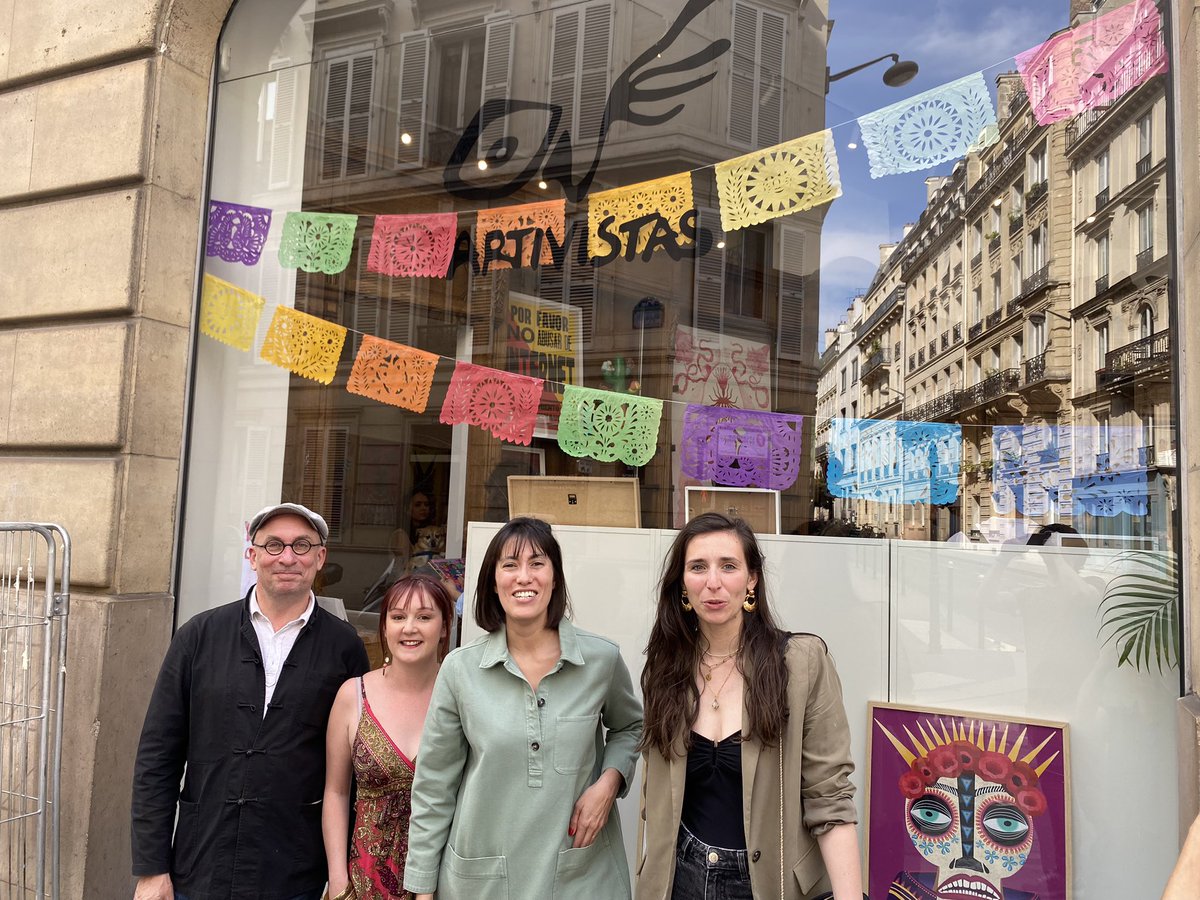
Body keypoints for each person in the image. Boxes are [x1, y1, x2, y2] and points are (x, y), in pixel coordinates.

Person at [131, 502, 371, 900]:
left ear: (320, 557)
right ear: (253, 554)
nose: (288, 557)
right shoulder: (199, 636)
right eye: (274, 545)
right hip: (200, 864)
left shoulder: (344, 647)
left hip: (295, 872)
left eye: (302, 545)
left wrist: (340, 870)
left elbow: (352, 773)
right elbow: (157, 757)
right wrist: (152, 869)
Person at [403, 516, 643, 899]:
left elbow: (631, 727)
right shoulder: (461, 669)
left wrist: (608, 783)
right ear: (493, 581)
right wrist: (421, 886)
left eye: (537, 563)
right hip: (483, 878)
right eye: (510, 565)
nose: (524, 576)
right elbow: (434, 786)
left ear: (554, 577)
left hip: (579, 876)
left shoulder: (600, 659)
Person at [636, 512, 863, 900]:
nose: (713, 583)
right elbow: (653, 801)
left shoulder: (800, 663)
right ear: (682, 584)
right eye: (698, 567)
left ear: (752, 578)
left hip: (767, 884)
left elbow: (830, 797)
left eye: (728, 566)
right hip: (680, 879)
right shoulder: (667, 668)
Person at [323, 574, 455, 900]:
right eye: (398, 617)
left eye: (424, 617)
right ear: (384, 628)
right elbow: (336, 793)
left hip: (446, 880)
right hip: (365, 882)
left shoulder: (460, 696)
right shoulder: (353, 695)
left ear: (443, 627)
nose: (409, 627)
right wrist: (339, 883)